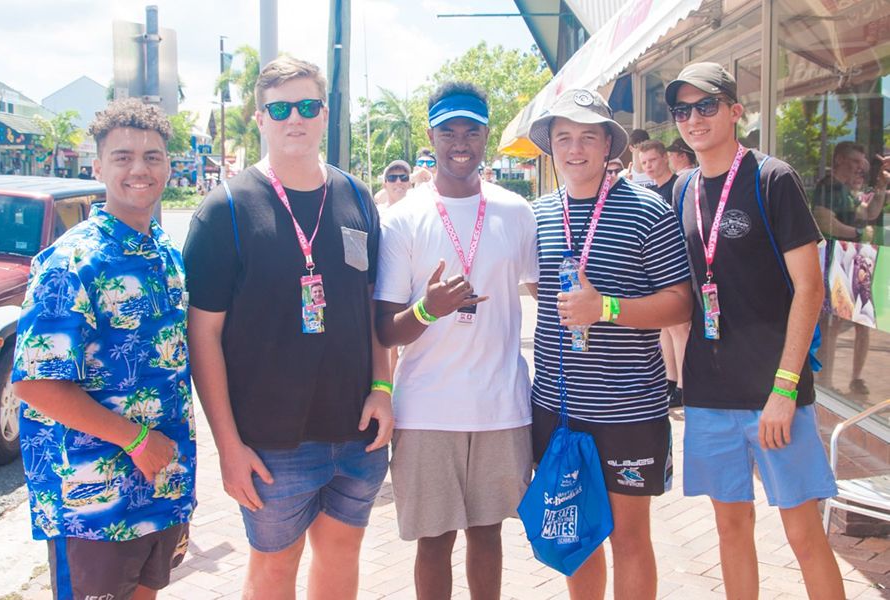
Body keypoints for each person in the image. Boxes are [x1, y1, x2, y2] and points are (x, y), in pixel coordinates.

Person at [183, 55, 392, 600]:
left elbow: (373, 306)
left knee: (342, 558)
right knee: (274, 572)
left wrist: (382, 388)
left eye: (307, 105)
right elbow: (202, 336)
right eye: (279, 108)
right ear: (260, 118)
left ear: (325, 114)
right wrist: (228, 445)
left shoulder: (355, 196)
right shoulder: (224, 209)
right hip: (271, 442)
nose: (293, 118)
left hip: (356, 433)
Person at [665, 61, 845, 599]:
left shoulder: (773, 178)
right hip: (710, 394)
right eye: (682, 110)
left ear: (735, 111)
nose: (693, 118)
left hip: (775, 393)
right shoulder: (682, 190)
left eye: (706, 105)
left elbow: (810, 290)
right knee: (730, 529)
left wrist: (785, 390)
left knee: (802, 533)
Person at [11, 98, 195, 600]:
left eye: (153, 156)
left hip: (161, 486)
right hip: (91, 501)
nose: (140, 168)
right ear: (97, 167)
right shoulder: (73, 260)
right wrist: (135, 440)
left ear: (169, 166)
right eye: (122, 157)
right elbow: (34, 383)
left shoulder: (165, 254)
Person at [374, 81, 538, 599]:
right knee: (434, 541)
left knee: (489, 534)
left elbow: (544, 293)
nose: (460, 142)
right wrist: (429, 309)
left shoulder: (516, 212)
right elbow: (384, 328)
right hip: (426, 409)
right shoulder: (402, 218)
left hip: (501, 406)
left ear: (487, 136)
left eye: (472, 130)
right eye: (448, 131)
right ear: (431, 135)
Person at [528, 89, 692, 600]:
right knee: (575, 534)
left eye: (587, 137)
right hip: (558, 407)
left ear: (607, 146)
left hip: (629, 410)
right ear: (551, 147)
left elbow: (681, 303)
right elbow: (536, 286)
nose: (575, 149)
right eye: (564, 138)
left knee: (629, 537)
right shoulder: (534, 216)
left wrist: (608, 308)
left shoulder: (647, 210)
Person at [812, 142, 888, 396]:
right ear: (840, 160)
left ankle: (855, 378)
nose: (860, 167)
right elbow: (825, 221)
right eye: (855, 161)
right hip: (836, 260)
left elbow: (869, 213)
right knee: (831, 324)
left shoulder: (848, 190)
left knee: (862, 322)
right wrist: (857, 232)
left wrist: (881, 186)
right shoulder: (827, 186)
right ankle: (825, 381)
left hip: (856, 260)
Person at [638, 139, 688, 407]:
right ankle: (670, 379)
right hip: (653, 272)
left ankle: (684, 385)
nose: (648, 167)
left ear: (665, 158)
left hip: (677, 267)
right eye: (644, 163)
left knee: (679, 329)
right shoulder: (649, 190)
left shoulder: (679, 187)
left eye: (653, 161)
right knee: (664, 330)